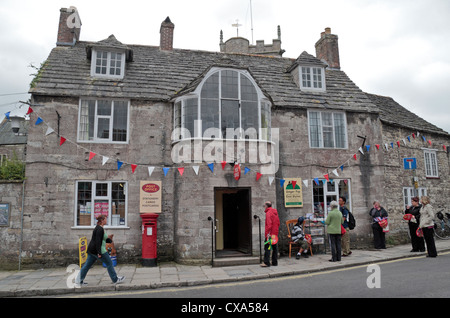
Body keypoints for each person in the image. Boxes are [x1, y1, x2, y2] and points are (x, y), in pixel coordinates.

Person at [75, 215, 125, 286]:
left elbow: (103, 239)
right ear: (102, 220)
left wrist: (109, 240)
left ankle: (78, 280)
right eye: (105, 219)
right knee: (109, 263)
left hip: (92, 250)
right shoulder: (99, 229)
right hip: (99, 250)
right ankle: (115, 279)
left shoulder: (100, 228)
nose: (106, 220)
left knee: (87, 265)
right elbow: (98, 241)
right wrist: (99, 252)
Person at [261, 201, 280, 267]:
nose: (264, 207)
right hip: (275, 233)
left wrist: (268, 234)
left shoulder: (268, 213)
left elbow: (269, 225)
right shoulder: (275, 212)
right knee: (274, 248)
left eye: (264, 206)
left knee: (267, 248)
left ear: (266, 206)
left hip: (270, 234)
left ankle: (266, 263)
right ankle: (274, 262)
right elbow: (278, 223)